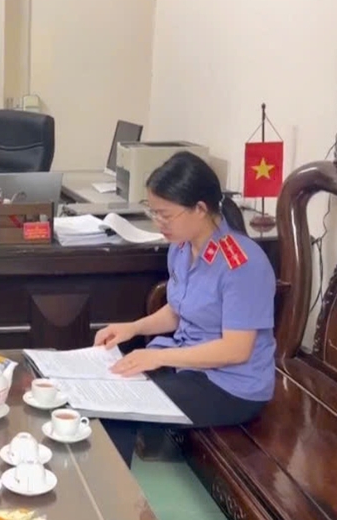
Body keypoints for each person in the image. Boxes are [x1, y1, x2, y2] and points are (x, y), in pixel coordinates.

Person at [94, 151, 276, 467]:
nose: (158, 222)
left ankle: (112, 492)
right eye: (153, 212)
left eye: (166, 215)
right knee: (108, 381)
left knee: (121, 407)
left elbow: (236, 350)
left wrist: (158, 357)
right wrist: (133, 328)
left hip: (230, 385)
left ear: (200, 209)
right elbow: (179, 310)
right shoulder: (182, 247)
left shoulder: (242, 264)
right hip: (188, 365)